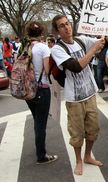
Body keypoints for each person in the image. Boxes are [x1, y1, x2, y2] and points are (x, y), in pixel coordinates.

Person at [51, 15, 105, 175]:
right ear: (57, 30)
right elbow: (75, 66)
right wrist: (94, 49)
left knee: (93, 129)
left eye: (67, 24)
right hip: (74, 98)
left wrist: (106, 34)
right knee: (77, 132)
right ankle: (79, 160)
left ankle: (88, 155)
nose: (66, 27)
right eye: (62, 26)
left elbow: (101, 43)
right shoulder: (57, 49)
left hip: (90, 94)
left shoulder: (81, 40)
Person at [24, 21, 58, 164]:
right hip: (41, 88)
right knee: (41, 123)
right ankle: (41, 155)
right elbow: (47, 69)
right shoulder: (43, 48)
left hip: (28, 89)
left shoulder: (23, 47)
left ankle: (39, 148)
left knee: (37, 119)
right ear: (41, 33)